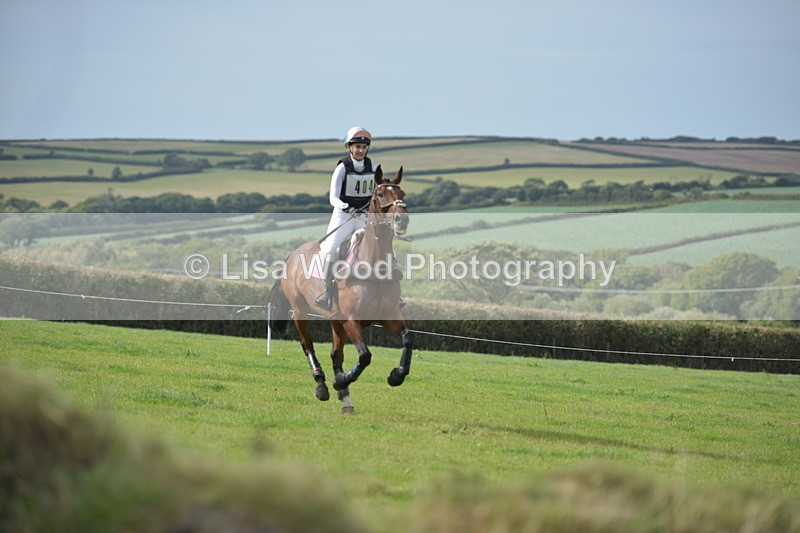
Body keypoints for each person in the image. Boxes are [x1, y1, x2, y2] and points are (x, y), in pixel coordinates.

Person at [314, 126, 378, 309]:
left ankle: (392, 294)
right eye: (357, 146)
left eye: (364, 147)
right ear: (349, 148)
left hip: (364, 216)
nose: (360, 150)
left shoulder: (372, 168)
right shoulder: (342, 167)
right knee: (331, 249)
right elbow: (333, 197)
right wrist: (346, 206)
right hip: (343, 216)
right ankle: (326, 292)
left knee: (382, 246)